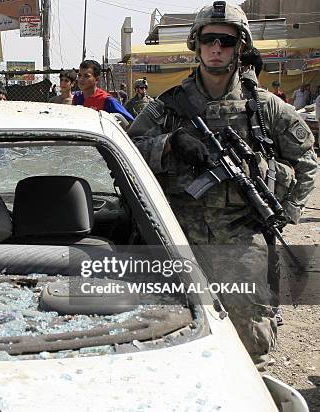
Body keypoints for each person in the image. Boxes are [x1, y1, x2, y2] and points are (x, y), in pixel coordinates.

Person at [128, 1, 317, 370]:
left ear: (241, 47)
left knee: (251, 345)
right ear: (196, 44)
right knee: (172, 338)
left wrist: (282, 214)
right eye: (209, 40)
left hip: (242, 238)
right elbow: (127, 154)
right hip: (179, 236)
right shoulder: (166, 108)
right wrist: (169, 144)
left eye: (227, 42)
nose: (217, 48)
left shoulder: (265, 108)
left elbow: (307, 162)